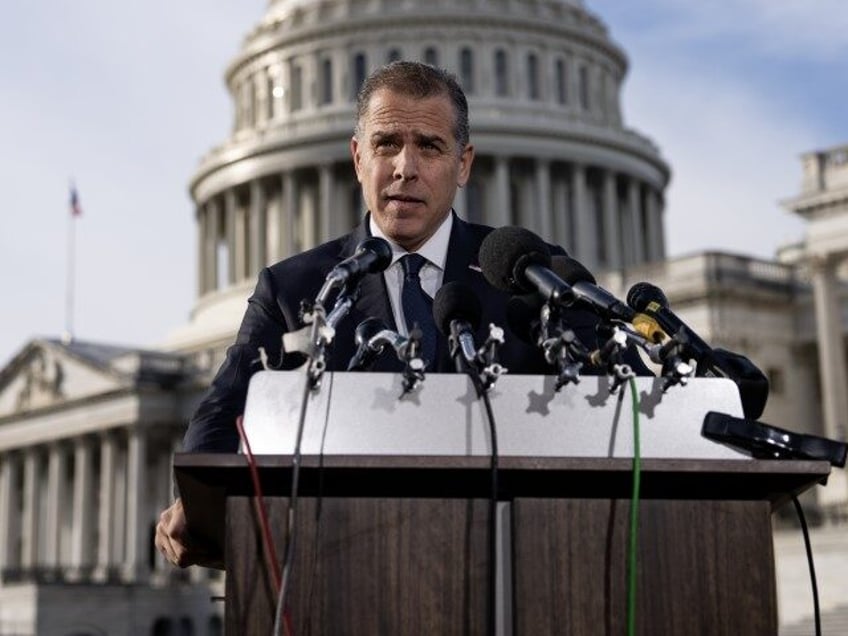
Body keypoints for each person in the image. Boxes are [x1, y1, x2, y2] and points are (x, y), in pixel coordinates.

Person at [155, 61, 636, 567]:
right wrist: (203, 495)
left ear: (464, 163)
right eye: (386, 143)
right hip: (342, 569)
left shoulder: (527, 276)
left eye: (429, 146)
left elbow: (620, 395)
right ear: (358, 157)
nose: (405, 167)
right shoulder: (295, 289)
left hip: (512, 565)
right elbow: (225, 409)